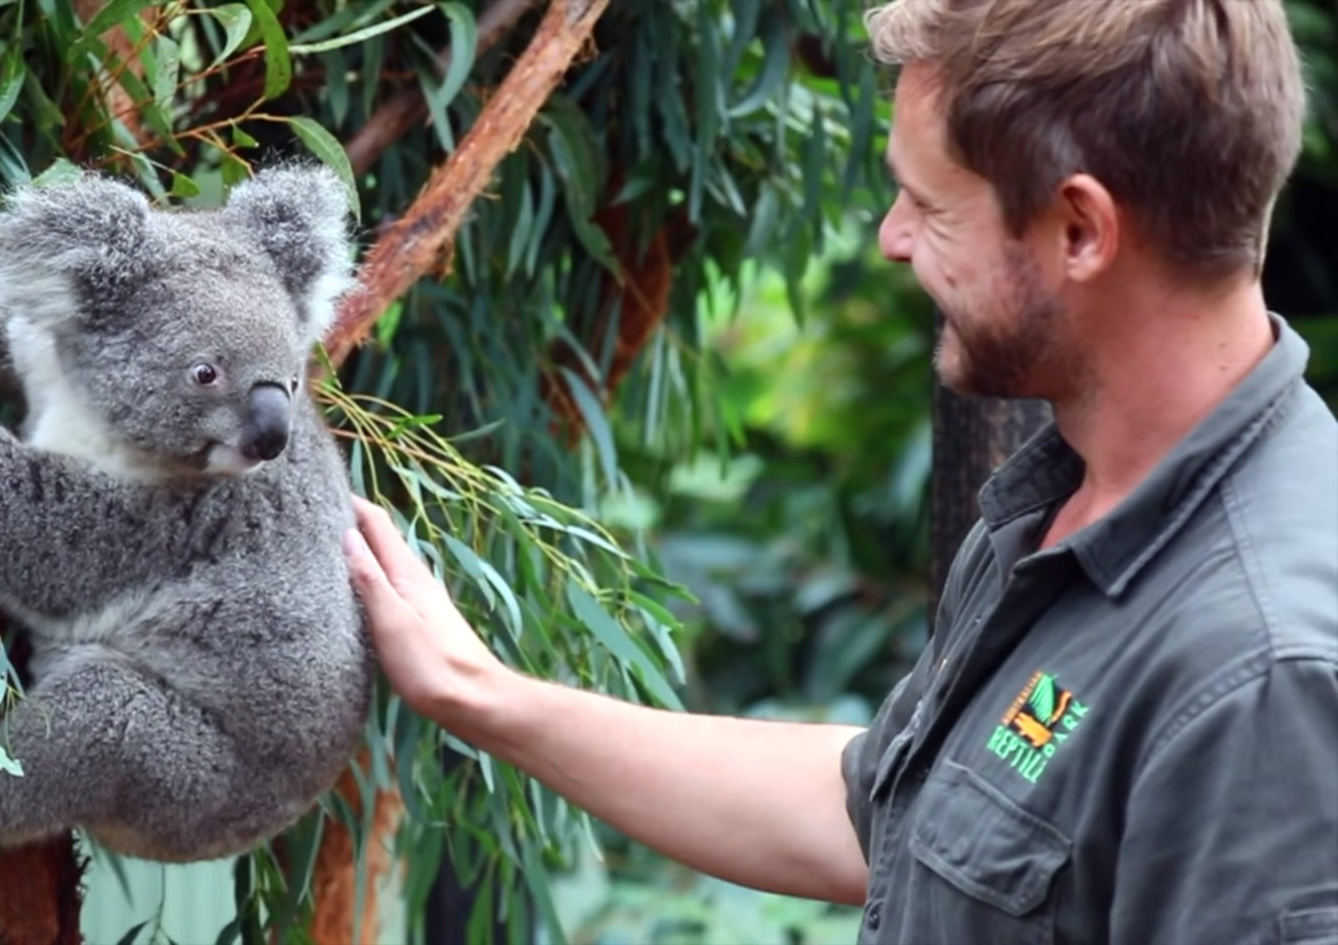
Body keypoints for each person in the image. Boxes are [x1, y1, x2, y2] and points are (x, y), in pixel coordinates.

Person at [339, 0, 1338, 941]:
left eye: (926, 203)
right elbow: (877, 811)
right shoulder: (1081, 498)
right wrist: (477, 691)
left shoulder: (1257, 679)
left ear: (1080, 230)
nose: (892, 240)